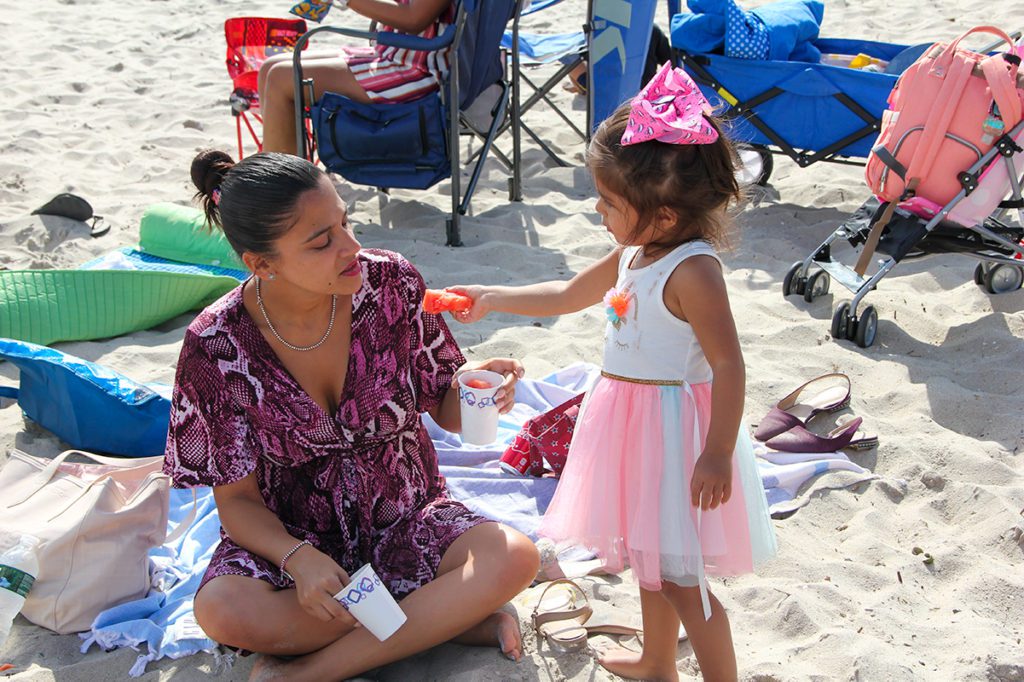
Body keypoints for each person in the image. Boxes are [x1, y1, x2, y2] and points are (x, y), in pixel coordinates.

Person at [448, 63, 777, 680]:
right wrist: (492, 295)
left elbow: (730, 364)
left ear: (665, 219)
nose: (598, 210)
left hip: (676, 435)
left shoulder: (692, 271)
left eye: (608, 202)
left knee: (684, 580)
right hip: (630, 423)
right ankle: (657, 662)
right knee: (649, 556)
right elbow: (569, 294)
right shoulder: (636, 248)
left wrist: (716, 453)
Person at [165, 149, 540, 681]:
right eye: (322, 241)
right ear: (261, 263)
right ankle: (442, 619)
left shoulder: (391, 284)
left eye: (346, 222)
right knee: (222, 611)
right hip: (298, 542)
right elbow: (238, 504)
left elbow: (448, 412)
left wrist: (476, 390)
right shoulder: (215, 346)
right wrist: (297, 559)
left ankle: (311, 672)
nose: (351, 248)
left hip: (409, 517)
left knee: (514, 557)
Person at [258, 0, 454, 154]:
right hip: (394, 54)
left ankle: (281, 193)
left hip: (419, 71)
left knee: (280, 79)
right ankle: (284, 174)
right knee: (269, 68)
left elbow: (414, 19)